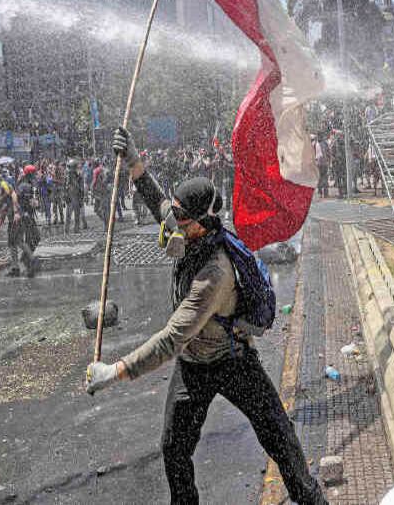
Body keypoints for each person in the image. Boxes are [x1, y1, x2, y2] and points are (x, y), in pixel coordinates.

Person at [85, 127, 328, 505]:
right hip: (193, 366)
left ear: (201, 222)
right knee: (174, 448)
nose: (173, 221)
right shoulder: (188, 230)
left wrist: (114, 371)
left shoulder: (215, 273)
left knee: (279, 437)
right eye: (176, 213)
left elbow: (171, 339)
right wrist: (133, 160)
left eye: (181, 217)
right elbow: (157, 201)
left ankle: (311, 499)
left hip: (231, 359)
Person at [0, 165, 41, 277]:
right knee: (16, 242)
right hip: (16, 218)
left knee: (16, 242)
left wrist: (16, 212)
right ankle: (21, 264)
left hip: (17, 218)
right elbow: (2, 213)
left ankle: (27, 262)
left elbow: (14, 195)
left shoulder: (4, 185)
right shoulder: (1, 191)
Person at [65, 159, 88, 233]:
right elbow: (66, 187)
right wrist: (66, 196)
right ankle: (67, 229)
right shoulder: (69, 176)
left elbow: (81, 188)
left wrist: (81, 197)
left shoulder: (79, 175)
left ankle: (76, 229)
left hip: (76, 197)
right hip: (71, 197)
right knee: (69, 214)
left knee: (76, 214)